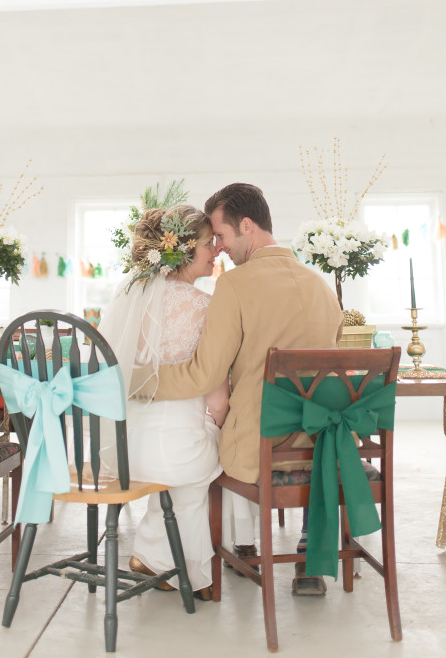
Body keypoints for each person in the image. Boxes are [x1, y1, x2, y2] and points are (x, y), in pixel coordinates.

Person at [149, 183, 344, 592]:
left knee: (197, 442)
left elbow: (204, 375)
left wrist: (143, 381)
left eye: (220, 235)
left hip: (262, 451)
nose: (218, 247)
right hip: (326, 446)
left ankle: (230, 548)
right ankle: (307, 549)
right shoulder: (322, 288)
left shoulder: (235, 285)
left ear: (247, 226)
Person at [99, 203, 227, 599]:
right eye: (209, 244)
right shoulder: (205, 307)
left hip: (118, 452)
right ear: (185, 250)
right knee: (219, 451)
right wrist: (219, 423)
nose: (216, 251)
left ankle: (158, 555)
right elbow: (218, 399)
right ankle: (165, 558)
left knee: (182, 467)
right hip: (173, 452)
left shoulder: (124, 301)